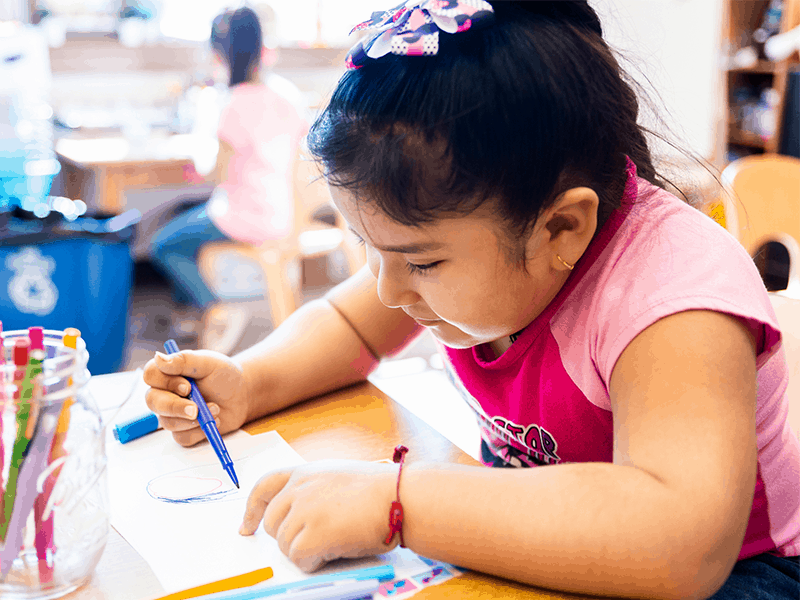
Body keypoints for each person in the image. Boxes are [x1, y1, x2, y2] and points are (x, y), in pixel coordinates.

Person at [143, 2, 800, 598]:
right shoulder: (467, 251)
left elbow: (678, 544)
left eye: (420, 261)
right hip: (548, 530)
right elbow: (350, 325)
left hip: (736, 571)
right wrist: (250, 382)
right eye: (373, 251)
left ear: (562, 229)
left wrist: (400, 504)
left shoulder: (671, 299)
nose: (387, 289)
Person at [149, 6, 308, 354]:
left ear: (219, 53)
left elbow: (212, 174)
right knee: (186, 223)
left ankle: (215, 307)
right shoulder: (287, 95)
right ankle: (193, 320)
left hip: (243, 215)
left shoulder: (232, 103)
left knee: (164, 243)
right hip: (282, 211)